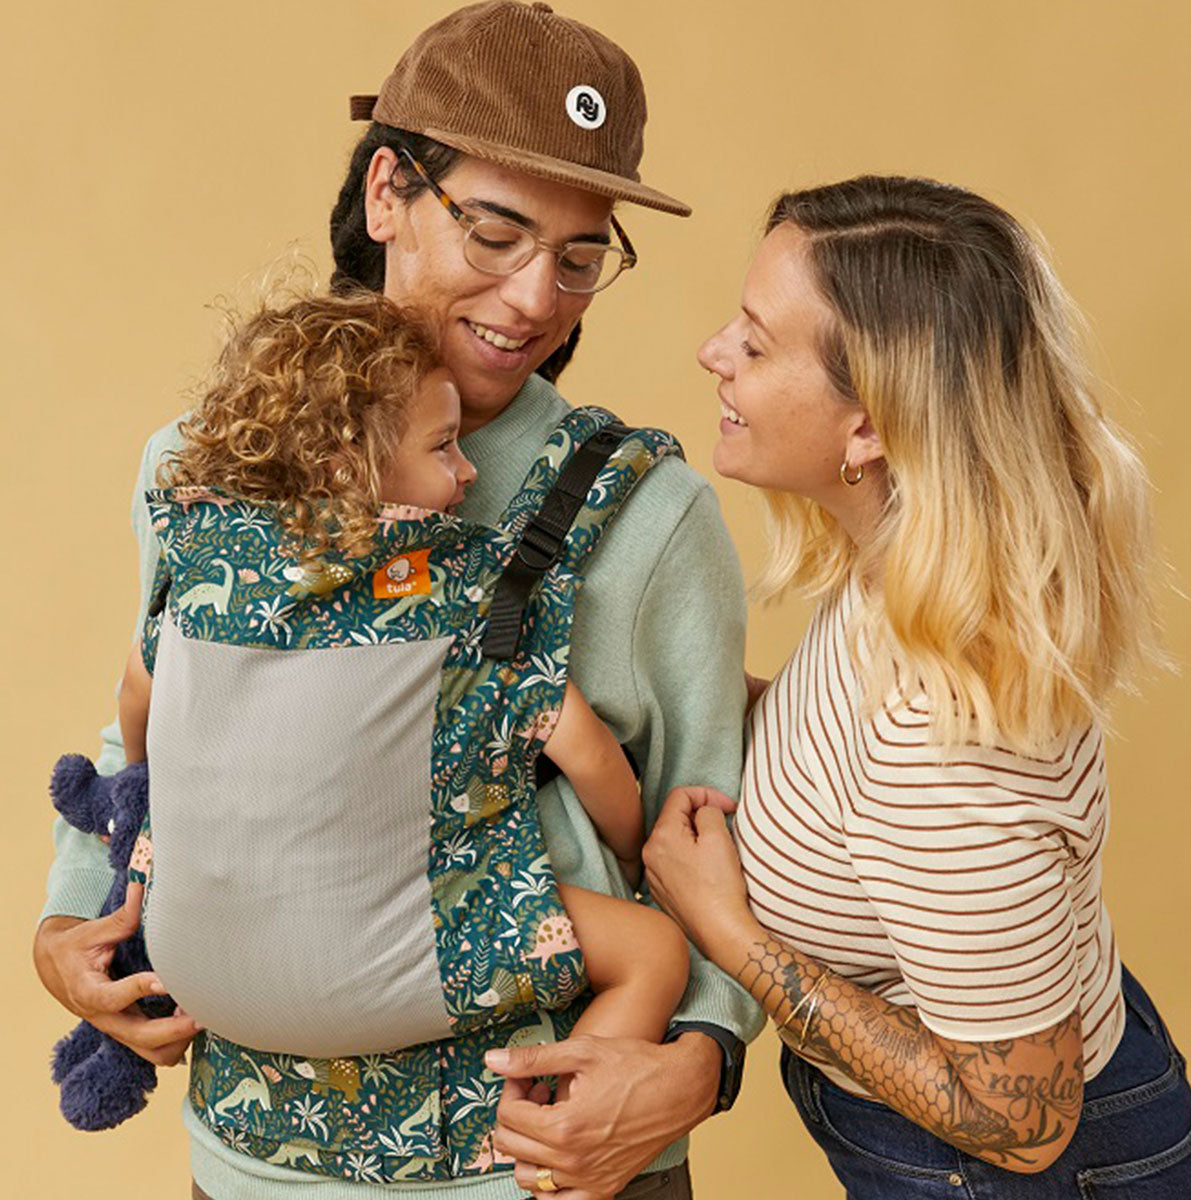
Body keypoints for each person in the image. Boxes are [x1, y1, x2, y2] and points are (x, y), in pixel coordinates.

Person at [34, 4, 761, 1198]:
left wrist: (704, 1056)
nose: (534, 299)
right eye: (495, 232)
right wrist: (68, 932)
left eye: (581, 258)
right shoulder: (201, 464)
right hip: (257, 1159)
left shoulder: (648, 512)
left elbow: (712, 829)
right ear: (387, 193)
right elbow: (155, 728)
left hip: (546, 1170)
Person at [644, 175, 1191, 1196]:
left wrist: (731, 933)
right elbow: (849, 780)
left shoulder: (944, 734)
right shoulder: (908, 569)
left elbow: (1017, 1120)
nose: (713, 352)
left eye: (758, 345)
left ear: (870, 429)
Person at [113, 287, 687, 1078]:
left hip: (193, 972)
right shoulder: (461, 590)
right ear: (348, 467)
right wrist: (628, 856)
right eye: (443, 447)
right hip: (386, 978)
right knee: (652, 952)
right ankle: (555, 1125)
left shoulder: (201, 562)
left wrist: (153, 785)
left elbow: (137, 702)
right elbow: (586, 754)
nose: (467, 468)